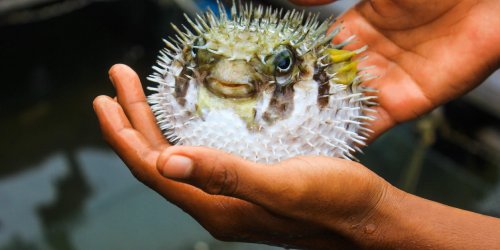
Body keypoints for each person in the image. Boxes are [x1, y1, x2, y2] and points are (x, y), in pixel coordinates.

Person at [93, 0, 500, 248]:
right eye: (202, 57)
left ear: (322, 78)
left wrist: (372, 218)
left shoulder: (335, 84)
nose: (231, 75)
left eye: (282, 66)